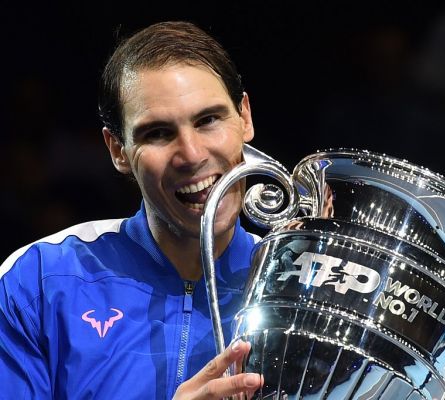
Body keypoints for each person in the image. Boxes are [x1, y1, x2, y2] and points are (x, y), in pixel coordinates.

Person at [0, 21, 264, 399]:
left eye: (208, 120)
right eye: (157, 133)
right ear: (118, 150)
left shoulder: (298, 289)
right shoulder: (40, 281)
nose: (191, 155)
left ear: (245, 117)